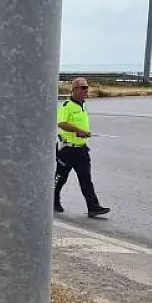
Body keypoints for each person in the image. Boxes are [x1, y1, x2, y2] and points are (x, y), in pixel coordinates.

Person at [54, 77, 110, 217]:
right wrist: (78, 130)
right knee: (60, 178)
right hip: (67, 150)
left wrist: (84, 133)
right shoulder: (67, 106)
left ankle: (93, 207)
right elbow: (61, 123)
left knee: (86, 179)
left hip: (81, 149)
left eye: (87, 88)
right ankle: (53, 201)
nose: (86, 90)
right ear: (74, 90)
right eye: (83, 88)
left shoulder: (83, 106)